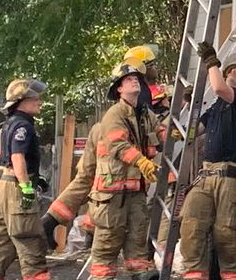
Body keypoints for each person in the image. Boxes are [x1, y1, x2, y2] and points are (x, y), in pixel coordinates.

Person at [40, 55, 154, 250]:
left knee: (87, 180)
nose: (135, 79)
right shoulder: (139, 84)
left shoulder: (133, 80)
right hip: (114, 136)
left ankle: (53, 221)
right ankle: (84, 230)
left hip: (104, 131)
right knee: (106, 184)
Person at [174, 42, 236, 280]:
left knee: (226, 229)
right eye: (230, 70)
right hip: (207, 175)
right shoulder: (217, 108)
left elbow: (219, 87)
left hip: (232, 178)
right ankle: (195, 277)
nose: (232, 74)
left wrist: (211, 61)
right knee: (191, 220)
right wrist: (184, 116)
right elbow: (193, 132)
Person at [0, 79, 63, 280]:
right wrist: (26, 187)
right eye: (35, 99)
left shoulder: (7, 125)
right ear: (22, 101)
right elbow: (17, 156)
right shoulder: (24, 126)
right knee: (28, 234)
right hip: (14, 187)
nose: (39, 102)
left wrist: (36, 178)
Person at [88, 62, 160, 280]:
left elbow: (158, 133)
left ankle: (139, 271)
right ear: (119, 89)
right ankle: (102, 276)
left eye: (136, 78)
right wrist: (141, 161)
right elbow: (118, 145)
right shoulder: (114, 115)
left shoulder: (145, 113)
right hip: (112, 187)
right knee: (110, 232)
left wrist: (177, 132)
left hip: (135, 186)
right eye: (128, 79)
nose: (134, 81)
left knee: (138, 230)